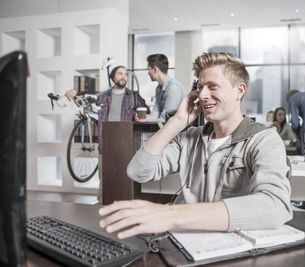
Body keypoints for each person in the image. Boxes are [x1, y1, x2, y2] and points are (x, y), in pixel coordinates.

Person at [98, 52, 292, 239]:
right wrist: (177, 121)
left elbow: (275, 206)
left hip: (229, 247)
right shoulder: (190, 138)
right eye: (200, 87)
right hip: (181, 242)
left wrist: (172, 215)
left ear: (239, 91)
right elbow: (137, 171)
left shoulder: (263, 139)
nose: (203, 95)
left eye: (213, 86)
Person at [65, 65, 150, 203]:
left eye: (125, 74)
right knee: (105, 186)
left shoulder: (134, 97)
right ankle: (100, 213)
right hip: (105, 147)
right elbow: (84, 101)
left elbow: (147, 115)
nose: (123, 76)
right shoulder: (102, 97)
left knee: (127, 185)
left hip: (127, 148)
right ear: (112, 77)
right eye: (119, 73)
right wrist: (73, 94)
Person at [146, 54, 186, 120]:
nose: (148, 73)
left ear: (155, 69)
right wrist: (145, 118)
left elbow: (166, 119)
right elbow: (155, 113)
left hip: (178, 128)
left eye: (149, 69)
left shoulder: (173, 89)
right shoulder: (158, 89)